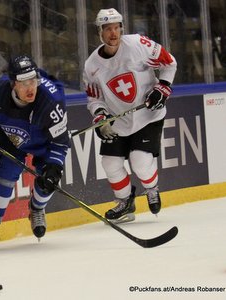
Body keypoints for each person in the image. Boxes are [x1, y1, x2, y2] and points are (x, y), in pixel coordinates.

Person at [83, 8, 177, 224]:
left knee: (141, 161)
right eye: (108, 29)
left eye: (116, 28)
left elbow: (169, 62)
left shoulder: (137, 45)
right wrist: (99, 115)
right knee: (110, 163)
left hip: (148, 114)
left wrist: (162, 87)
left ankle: (151, 188)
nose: (113, 33)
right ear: (100, 32)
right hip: (119, 119)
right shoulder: (91, 65)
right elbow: (94, 98)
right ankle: (125, 202)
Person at [0, 55, 70, 246]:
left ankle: (37, 209)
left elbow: (59, 142)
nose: (30, 87)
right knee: (6, 174)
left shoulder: (51, 102)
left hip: (44, 141)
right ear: (13, 84)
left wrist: (54, 167)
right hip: (11, 138)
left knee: (48, 180)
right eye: (24, 83)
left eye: (33, 81)